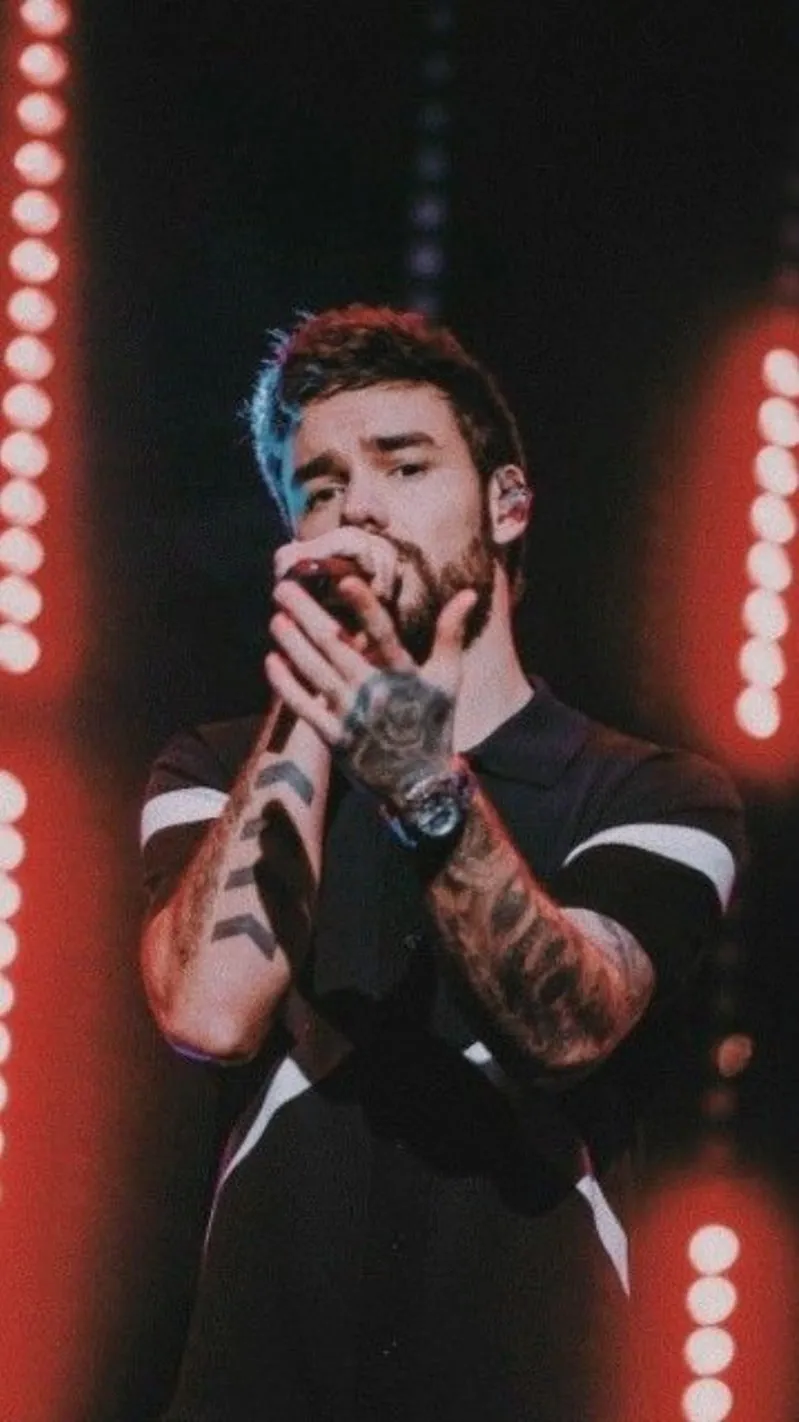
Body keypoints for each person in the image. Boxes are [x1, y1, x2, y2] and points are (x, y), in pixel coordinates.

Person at [139, 305, 745, 1422]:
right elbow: (210, 1013)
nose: (357, 509)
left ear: (506, 504)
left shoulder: (647, 790)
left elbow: (568, 1023)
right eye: (319, 487)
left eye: (403, 465)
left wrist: (421, 785)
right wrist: (316, 690)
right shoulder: (214, 767)